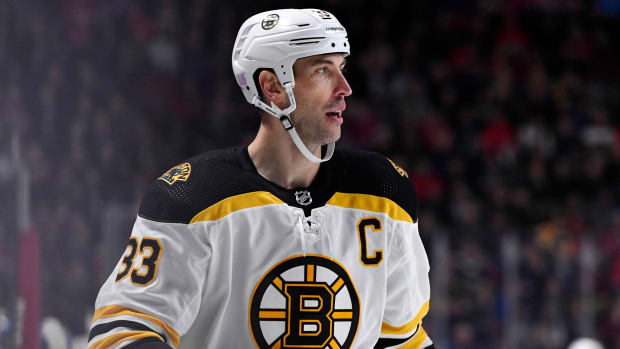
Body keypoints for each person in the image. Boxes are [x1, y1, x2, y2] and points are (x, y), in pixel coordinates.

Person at [88, 8, 434, 349]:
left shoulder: (385, 192)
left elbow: (403, 339)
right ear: (272, 86)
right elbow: (120, 332)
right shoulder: (192, 196)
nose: (345, 89)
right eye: (322, 71)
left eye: (341, 69)